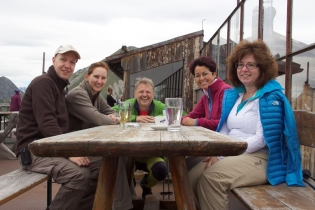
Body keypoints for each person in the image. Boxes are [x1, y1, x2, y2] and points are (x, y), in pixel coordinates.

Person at [188, 39, 304, 210]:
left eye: (251, 65)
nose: (244, 69)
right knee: (190, 178)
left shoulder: (271, 98)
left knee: (211, 179)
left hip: (262, 157)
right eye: (240, 64)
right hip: (232, 153)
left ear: (262, 68)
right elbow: (225, 129)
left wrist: (224, 154)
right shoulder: (235, 95)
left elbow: (261, 139)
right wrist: (219, 152)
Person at [15, 45, 98, 210]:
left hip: (50, 147)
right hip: (32, 150)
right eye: (63, 60)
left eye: (72, 62)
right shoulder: (43, 83)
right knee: (80, 175)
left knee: (101, 166)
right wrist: (69, 153)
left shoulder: (59, 87)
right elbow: (47, 123)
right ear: (53, 61)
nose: (68, 65)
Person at [66, 61, 133, 210]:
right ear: (86, 76)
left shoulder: (95, 95)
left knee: (124, 156)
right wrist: (114, 119)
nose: (100, 81)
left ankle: (123, 201)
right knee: (114, 158)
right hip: (74, 148)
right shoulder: (78, 94)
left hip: (88, 143)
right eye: (96, 76)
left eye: (103, 78)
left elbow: (114, 113)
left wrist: (113, 118)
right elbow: (99, 118)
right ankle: (122, 205)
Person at [113, 77, 169, 199]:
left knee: (161, 171)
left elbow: (179, 115)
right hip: (129, 153)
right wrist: (134, 118)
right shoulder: (128, 104)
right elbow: (111, 113)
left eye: (148, 92)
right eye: (141, 92)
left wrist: (158, 118)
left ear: (153, 94)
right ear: (135, 94)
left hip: (152, 153)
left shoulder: (159, 106)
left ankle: (146, 185)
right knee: (123, 174)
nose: (145, 95)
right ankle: (129, 192)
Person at [181, 57, 231, 171]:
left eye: (205, 74)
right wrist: (177, 120)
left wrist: (197, 122)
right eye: (197, 75)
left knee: (186, 167)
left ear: (214, 74)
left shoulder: (226, 91)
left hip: (224, 147)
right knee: (184, 164)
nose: (201, 78)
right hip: (211, 144)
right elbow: (192, 115)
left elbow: (224, 124)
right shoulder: (206, 96)